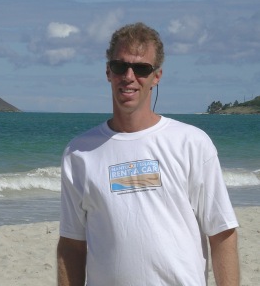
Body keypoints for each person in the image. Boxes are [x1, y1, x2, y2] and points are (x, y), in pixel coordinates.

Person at [57, 22, 240, 286]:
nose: (129, 76)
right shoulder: (78, 153)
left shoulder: (192, 143)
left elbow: (222, 233)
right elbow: (72, 245)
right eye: (120, 66)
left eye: (141, 68)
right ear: (108, 72)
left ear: (157, 76)